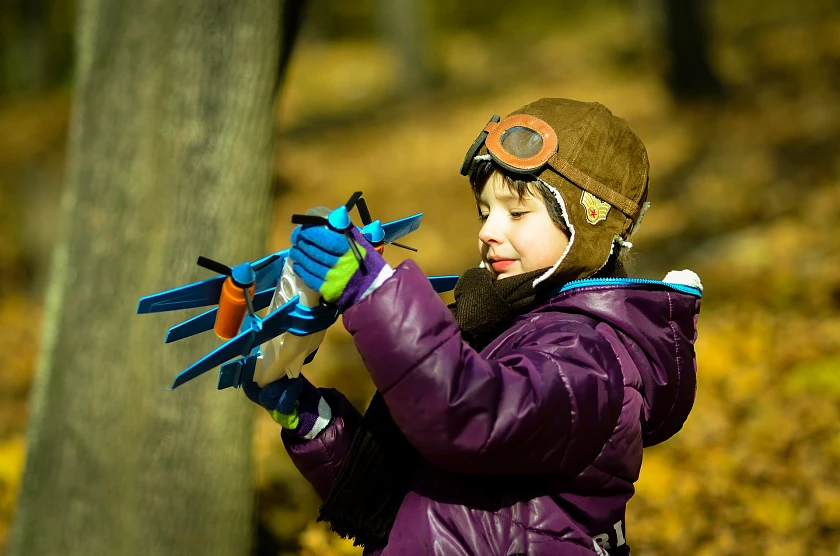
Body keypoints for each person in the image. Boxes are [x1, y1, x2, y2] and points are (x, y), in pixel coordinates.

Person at [243, 98, 702, 555]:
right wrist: (312, 422)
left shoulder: (588, 356)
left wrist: (372, 293)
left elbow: (468, 414)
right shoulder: (503, 326)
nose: (488, 231)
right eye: (486, 212)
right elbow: (420, 504)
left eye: (517, 213)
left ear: (588, 228)